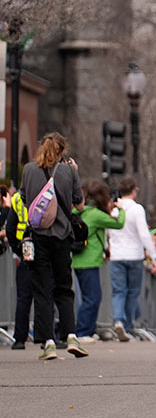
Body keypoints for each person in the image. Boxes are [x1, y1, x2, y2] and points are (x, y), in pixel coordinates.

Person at [20, 132, 87, 360]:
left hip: (38, 236)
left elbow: (24, 198)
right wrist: (74, 175)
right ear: (61, 152)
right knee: (64, 288)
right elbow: (79, 204)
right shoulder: (69, 171)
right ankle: (70, 336)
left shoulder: (28, 170)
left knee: (42, 289)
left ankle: (47, 341)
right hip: (62, 235)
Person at [72, 180, 126, 341]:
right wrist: (120, 209)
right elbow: (119, 223)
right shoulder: (96, 214)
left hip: (79, 260)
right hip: (89, 261)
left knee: (89, 297)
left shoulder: (82, 211)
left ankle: (88, 330)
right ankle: (82, 332)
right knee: (93, 298)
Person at [108, 178, 156, 340]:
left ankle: (118, 320)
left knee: (118, 291)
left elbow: (108, 231)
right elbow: (144, 233)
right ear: (134, 191)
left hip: (117, 255)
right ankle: (127, 325)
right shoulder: (137, 209)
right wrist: (153, 255)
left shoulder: (114, 210)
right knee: (133, 292)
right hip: (135, 255)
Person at [3, 185, 34, 349]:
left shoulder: (16, 199)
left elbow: (9, 228)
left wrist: (17, 249)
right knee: (47, 294)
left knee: (23, 295)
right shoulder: (49, 193)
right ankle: (48, 337)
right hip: (45, 245)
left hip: (26, 247)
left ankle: (20, 338)